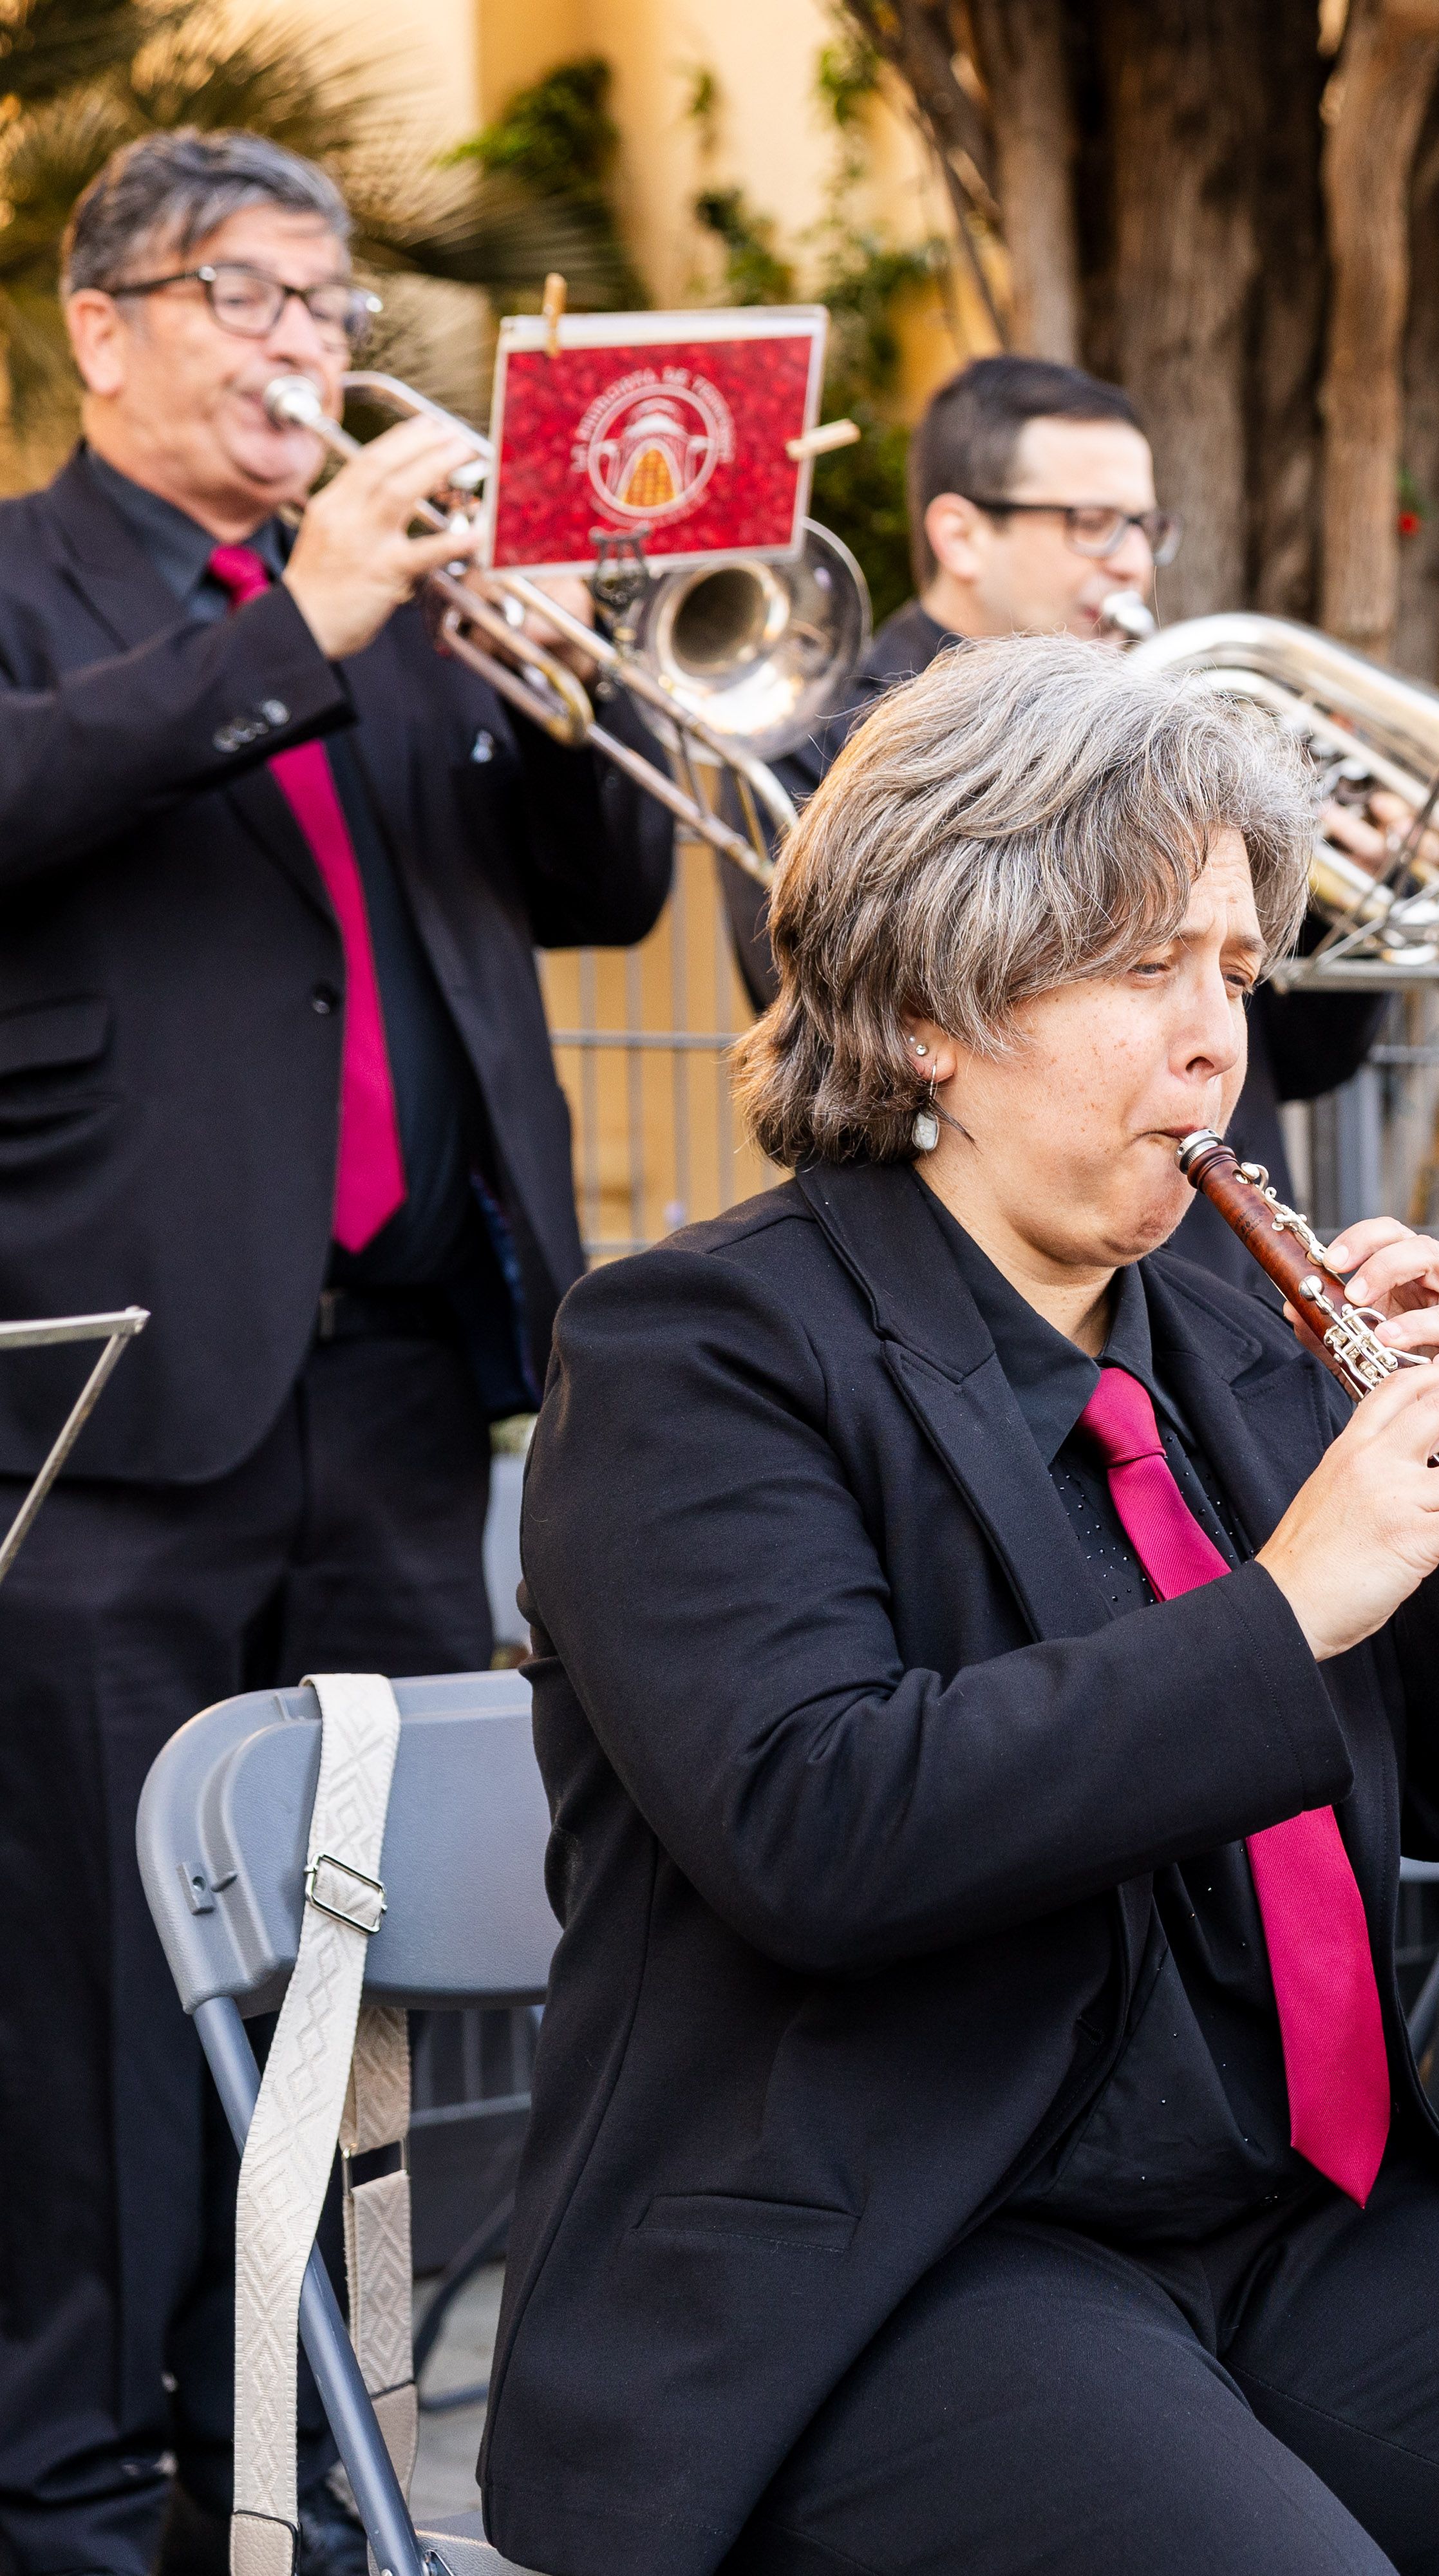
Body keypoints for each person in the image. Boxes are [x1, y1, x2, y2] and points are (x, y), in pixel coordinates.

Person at [489, 636, 1439, 2576]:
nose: (1215, 1039)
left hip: (1298, 2210)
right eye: (1143, 968)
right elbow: (814, 1828)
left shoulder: (1239, 1337)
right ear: (934, 1002)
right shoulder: (704, 1348)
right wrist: (1291, 1598)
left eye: (1236, 974)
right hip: (911, 2256)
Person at [0, 129, 678, 2572]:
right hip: (112, 1406)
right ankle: (68, 2514)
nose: (312, 341)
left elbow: (601, 898)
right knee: (90, 2007)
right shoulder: (34, 581)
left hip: (402, 1392)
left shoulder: (417, 607)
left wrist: (580, 673)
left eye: (332, 296)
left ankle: (292, 2487)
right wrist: (295, 630)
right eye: (251, 296)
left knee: (369, 1993)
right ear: (102, 325)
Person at [715, 355, 1390, 1280]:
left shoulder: (1180, 744)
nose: (1131, 559)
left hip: (1208, 1276)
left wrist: (1349, 892)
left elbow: (1299, 1063)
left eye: (1146, 526)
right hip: (962, 1289)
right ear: (960, 535)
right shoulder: (827, 734)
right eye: (1091, 523)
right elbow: (841, 1033)